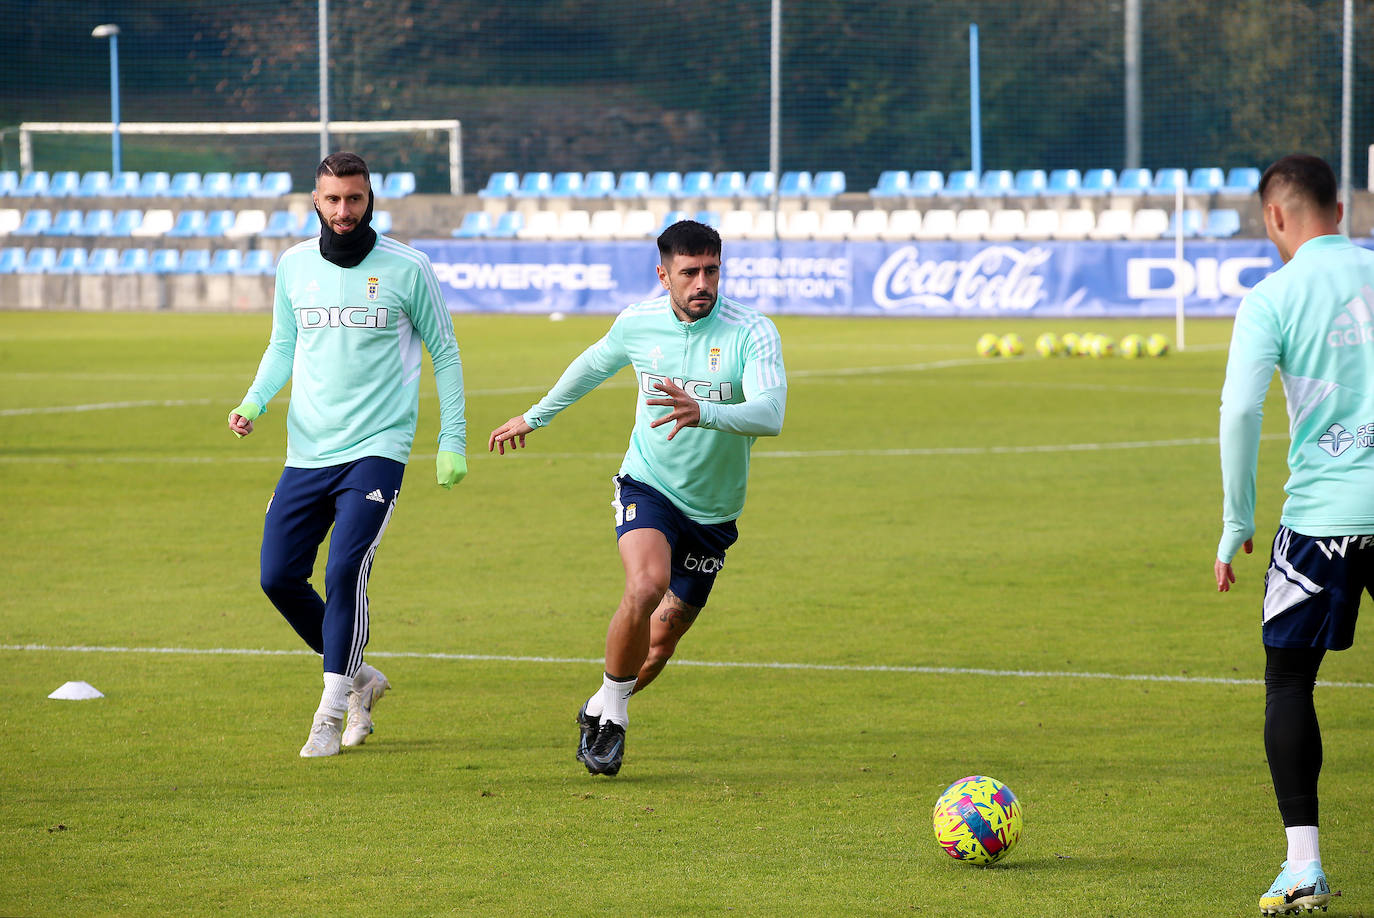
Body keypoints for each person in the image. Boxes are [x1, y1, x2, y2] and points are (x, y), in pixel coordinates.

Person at [488, 220, 786, 776]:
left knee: (661, 644)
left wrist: (706, 412)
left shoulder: (753, 332)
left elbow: (771, 414)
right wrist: (533, 416)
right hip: (648, 485)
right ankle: (616, 724)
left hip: (714, 511)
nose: (703, 283)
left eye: (712, 271)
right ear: (663, 275)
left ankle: (599, 707)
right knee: (646, 584)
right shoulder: (638, 323)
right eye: (690, 272)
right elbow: (590, 367)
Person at [228, 151, 467, 758]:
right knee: (277, 577)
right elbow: (283, 345)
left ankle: (330, 713)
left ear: (370, 200)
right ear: (315, 200)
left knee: (344, 570)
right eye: (332, 199)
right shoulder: (294, 265)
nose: (343, 211)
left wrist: (452, 440)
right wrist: (254, 403)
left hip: (378, 448)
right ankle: (360, 680)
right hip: (306, 450)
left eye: (354, 199)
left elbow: (446, 352)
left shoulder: (408, 268)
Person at [1214, 153, 1374, 915]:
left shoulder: (1272, 296)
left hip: (1321, 520)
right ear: (1339, 211)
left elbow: (1240, 412)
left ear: (1276, 216)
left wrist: (1236, 521)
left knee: (1288, 683)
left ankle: (1303, 865)